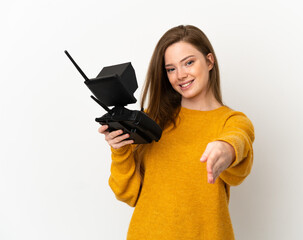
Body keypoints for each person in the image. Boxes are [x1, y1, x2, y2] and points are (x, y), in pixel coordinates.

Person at [98, 25, 255, 240]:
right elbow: (129, 194)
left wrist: (225, 149)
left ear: (209, 61)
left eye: (189, 62)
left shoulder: (231, 121)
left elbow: (239, 140)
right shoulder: (152, 121)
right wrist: (120, 150)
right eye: (171, 69)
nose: (180, 75)